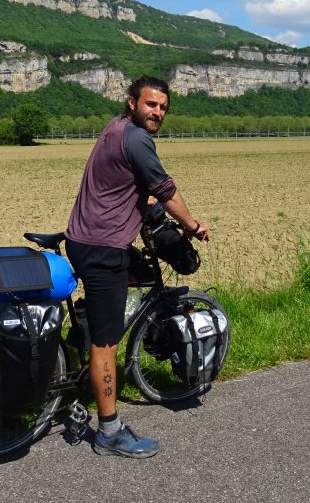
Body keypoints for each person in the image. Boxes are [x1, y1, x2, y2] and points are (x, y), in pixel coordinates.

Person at [64, 74, 210, 458]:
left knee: (107, 311)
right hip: (103, 248)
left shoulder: (115, 129)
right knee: (106, 342)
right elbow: (166, 190)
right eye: (150, 104)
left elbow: (128, 184)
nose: (157, 112)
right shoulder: (137, 138)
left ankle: (78, 364)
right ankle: (109, 431)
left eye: (163, 107)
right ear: (132, 102)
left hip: (83, 239)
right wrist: (192, 226)